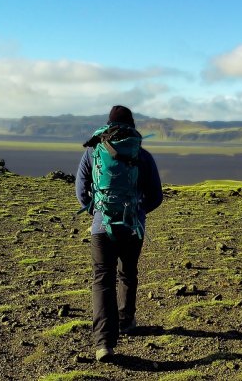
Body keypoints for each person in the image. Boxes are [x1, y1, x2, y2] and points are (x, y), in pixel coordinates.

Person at [75, 105, 163, 362]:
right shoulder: (142, 155)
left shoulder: (93, 151)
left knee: (102, 279)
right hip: (133, 227)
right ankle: (126, 320)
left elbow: (81, 191)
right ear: (132, 125)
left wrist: (98, 210)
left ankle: (104, 343)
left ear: (108, 124)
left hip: (102, 227)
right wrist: (137, 212)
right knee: (128, 271)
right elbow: (156, 196)